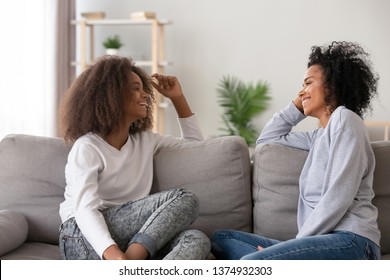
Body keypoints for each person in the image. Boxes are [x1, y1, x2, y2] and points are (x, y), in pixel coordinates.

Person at [211, 41, 381, 260]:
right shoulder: (318, 137)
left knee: (252, 264)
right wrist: (300, 102)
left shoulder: (347, 119)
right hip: (321, 241)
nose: (301, 91)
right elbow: (268, 139)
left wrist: (295, 245)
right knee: (221, 238)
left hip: (353, 242)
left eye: (308, 83)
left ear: (332, 84)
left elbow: (338, 196)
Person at [58, 55, 210, 260]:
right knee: (185, 198)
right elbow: (85, 210)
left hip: (128, 238)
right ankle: (127, 265)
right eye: (135, 88)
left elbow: (196, 149)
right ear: (111, 95)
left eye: (143, 88)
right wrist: (114, 256)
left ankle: (131, 264)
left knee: (196, 238)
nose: (146, 94)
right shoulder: (87, 147)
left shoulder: (146, 141)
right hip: (80, 236)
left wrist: (177, 98)